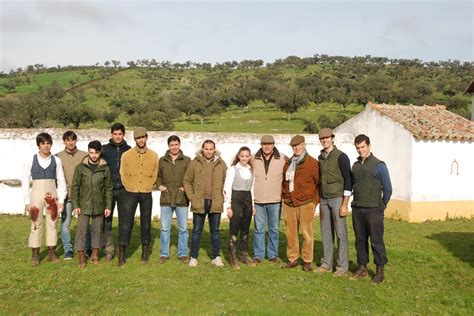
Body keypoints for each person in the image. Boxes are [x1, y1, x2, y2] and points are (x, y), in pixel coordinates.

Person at [350, 134, 392, 284]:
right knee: (360, 240)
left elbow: (388, 188)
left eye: (363, 147)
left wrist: (382, 205)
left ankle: (380, 270)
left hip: (374, 209)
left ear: (369, 146)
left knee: (376, 240)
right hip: (358, 208)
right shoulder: (355, 166)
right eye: (358, 148)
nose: (360, 150)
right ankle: (362, 268)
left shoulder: (379, 165)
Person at [22, 133, 67, 266]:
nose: (46, 146)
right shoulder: (30, 160)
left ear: (51, 144)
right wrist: (27, 201)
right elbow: (25, 180)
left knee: (52, 222)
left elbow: (61, 180)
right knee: (36, 223)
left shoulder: (57, 161)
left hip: (52, 193)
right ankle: (35, 254)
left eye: (48, 143)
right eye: (43, 143)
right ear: (39, 145)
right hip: (36, 193)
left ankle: (51, 252)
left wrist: (61, 201)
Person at [118, 127, 158, 266]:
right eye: (138, 138)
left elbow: (155, 173)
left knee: (146, 223)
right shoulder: (126, 155)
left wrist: (148, 185)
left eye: (143, 137)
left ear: (147, 137)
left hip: (146, 193)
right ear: (134, 139)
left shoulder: (153, 155)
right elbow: (122, 173)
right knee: (126, 222)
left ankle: (145, 253)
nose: (141, 140)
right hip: (130, 192)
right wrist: (130, 186)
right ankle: (122, 253)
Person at [183, 140, 227, 267]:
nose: (208, 151)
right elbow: (187, 181)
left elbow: (226, 181)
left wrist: (223, 196)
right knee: (197, 230)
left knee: (215, 231)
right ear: (202, 149)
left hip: (215, 202)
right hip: (199, 201)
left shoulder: (221, 164)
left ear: (214, 149)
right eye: (206, 149)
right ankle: (193, 257)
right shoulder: (194, 163)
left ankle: (216, 257)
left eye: (211, 149)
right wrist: (192, 197)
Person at [281, 135, 320, 272]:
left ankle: (307, 260)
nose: (296, 148)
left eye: (299, 145)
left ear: (304, 145)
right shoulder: (288, 163)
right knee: (291, 233)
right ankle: (293, 259)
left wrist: (314, 202)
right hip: (289, 202)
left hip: (305, 203)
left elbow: (319, 184)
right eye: (294, 146)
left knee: (306, 232)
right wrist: (284, 198)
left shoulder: (312, 163)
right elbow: (284, 182)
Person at [316, 128, 352, 276]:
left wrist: (345, 203)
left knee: (341, 234)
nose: (325, 140)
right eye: (322, 139)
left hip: (337, 198)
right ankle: (326, 264)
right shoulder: (320, 157)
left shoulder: (341, 157)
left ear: (332, 138)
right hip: (324, 198)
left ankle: (342, 266)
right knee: (326, 233)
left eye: (327, 138)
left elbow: (349, 180)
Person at [71, 141, 113, 267]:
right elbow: (75, 187)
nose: (94, 155)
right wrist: (75, 205)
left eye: (96, 153)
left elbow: (108, 189)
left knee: (97, 230)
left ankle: (95, 254)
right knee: (82, 231)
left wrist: (108, 206)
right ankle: (81, 257)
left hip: (99, 205)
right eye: (91, 152)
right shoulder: (80, 168)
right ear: (88, 152)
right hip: (83, 205)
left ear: (100, 153)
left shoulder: (105, 168)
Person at [252, 135, 287, 264]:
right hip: (258, 200)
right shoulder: (253, 158)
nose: (266, 146)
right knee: (258, 229)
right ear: (261, 145)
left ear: (274, 144)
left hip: (275, 200)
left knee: (274, 229)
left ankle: (272, 254)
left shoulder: (283, 158)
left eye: (269, 144)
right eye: (264, 144)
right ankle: (258, 255)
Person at [156, 135, 191, 264]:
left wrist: (186, 187)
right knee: (165, 228)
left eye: (176, 144)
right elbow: (158, 176)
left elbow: (190, 177)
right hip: (166, 197)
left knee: (183, 228)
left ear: (180, 145)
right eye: (172, 145)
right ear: (168, 146)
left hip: (182, 198)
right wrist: (159, 185)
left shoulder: (187, 160)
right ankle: (164, 253)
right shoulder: (162, 160)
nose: (174, 147)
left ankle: (182, 253)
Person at [56, 131, 88, 261]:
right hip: (66, 196)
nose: (70, 142)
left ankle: (87, 248)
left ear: (76, 141)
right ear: (64, 141)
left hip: (82, 196)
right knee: (65, 223)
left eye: (72, 140)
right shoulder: (57, 157)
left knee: (85, 224)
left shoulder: (84, 156)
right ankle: (68, 249)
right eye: (67, 140)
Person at [101, 123, 131, 262]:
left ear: (123, 134)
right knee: (107, 221)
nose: (117, 136)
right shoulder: (104, 149)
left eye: (120, 134)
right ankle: (108, 249)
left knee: (123, 221)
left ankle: (121, 249)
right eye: (115, 134)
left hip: (124, 190)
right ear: (111, 134)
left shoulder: (129, 150)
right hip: (108, 190)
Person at [224, 146, 256, 269]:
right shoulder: (232, 169)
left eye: (246, 156)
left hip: (247, 201)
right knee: (234, 230)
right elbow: (227, 188)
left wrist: (253, 205)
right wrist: (228, 206)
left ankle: (244, 255)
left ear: (249, 157)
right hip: (236, 200)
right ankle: (233, 257)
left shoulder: (252, 170)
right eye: (242, 156)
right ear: (238, 156)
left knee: (245, 230)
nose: (244, 158)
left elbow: (252, 188)